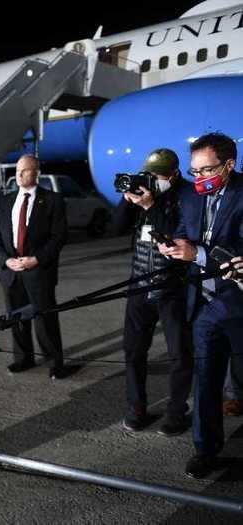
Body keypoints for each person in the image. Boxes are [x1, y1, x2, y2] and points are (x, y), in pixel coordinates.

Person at [158, 132, 243, 479]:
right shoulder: (192, 197)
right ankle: (205, 449)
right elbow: (185, 229)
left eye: (206, 170)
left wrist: (200, 254)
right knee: (205, 381)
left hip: (238, 305)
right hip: (205, 305)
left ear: (229, 165)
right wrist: (175, 245)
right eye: (194, 171)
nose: (199, 179)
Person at [113, 148, 193, 436]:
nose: (153, 181)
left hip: (173, 286)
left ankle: (176, 412)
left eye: (158, 176)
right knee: (133, 350)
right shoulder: (145, 192)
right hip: (139, 283)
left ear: (174, 174)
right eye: (150, 174)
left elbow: (176, 235)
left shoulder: (186, 195)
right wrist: (127, 200)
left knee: (179, 354)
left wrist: (150, 207)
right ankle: (136, 407)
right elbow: (116, 228)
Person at [0, 154, 68, 379]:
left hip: (38, 270)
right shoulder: (5, 201)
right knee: (16, 318)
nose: (18, 174)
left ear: (36, 172)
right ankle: (23, 359)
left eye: (23, 170)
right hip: (11, 271)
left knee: (45, 318)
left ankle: (55, 363)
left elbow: (58, 237)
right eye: (17, 170)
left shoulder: (53, 200)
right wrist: (5, 260)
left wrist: (37, 259)